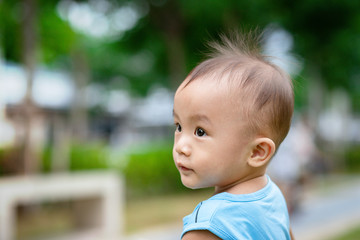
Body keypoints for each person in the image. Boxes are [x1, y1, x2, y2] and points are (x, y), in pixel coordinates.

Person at [172, 31, 295, 240]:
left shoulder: (208, 227)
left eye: (200, 132)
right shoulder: (272, 196)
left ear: (257, 152)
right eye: (178, 126)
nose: (181, 146)